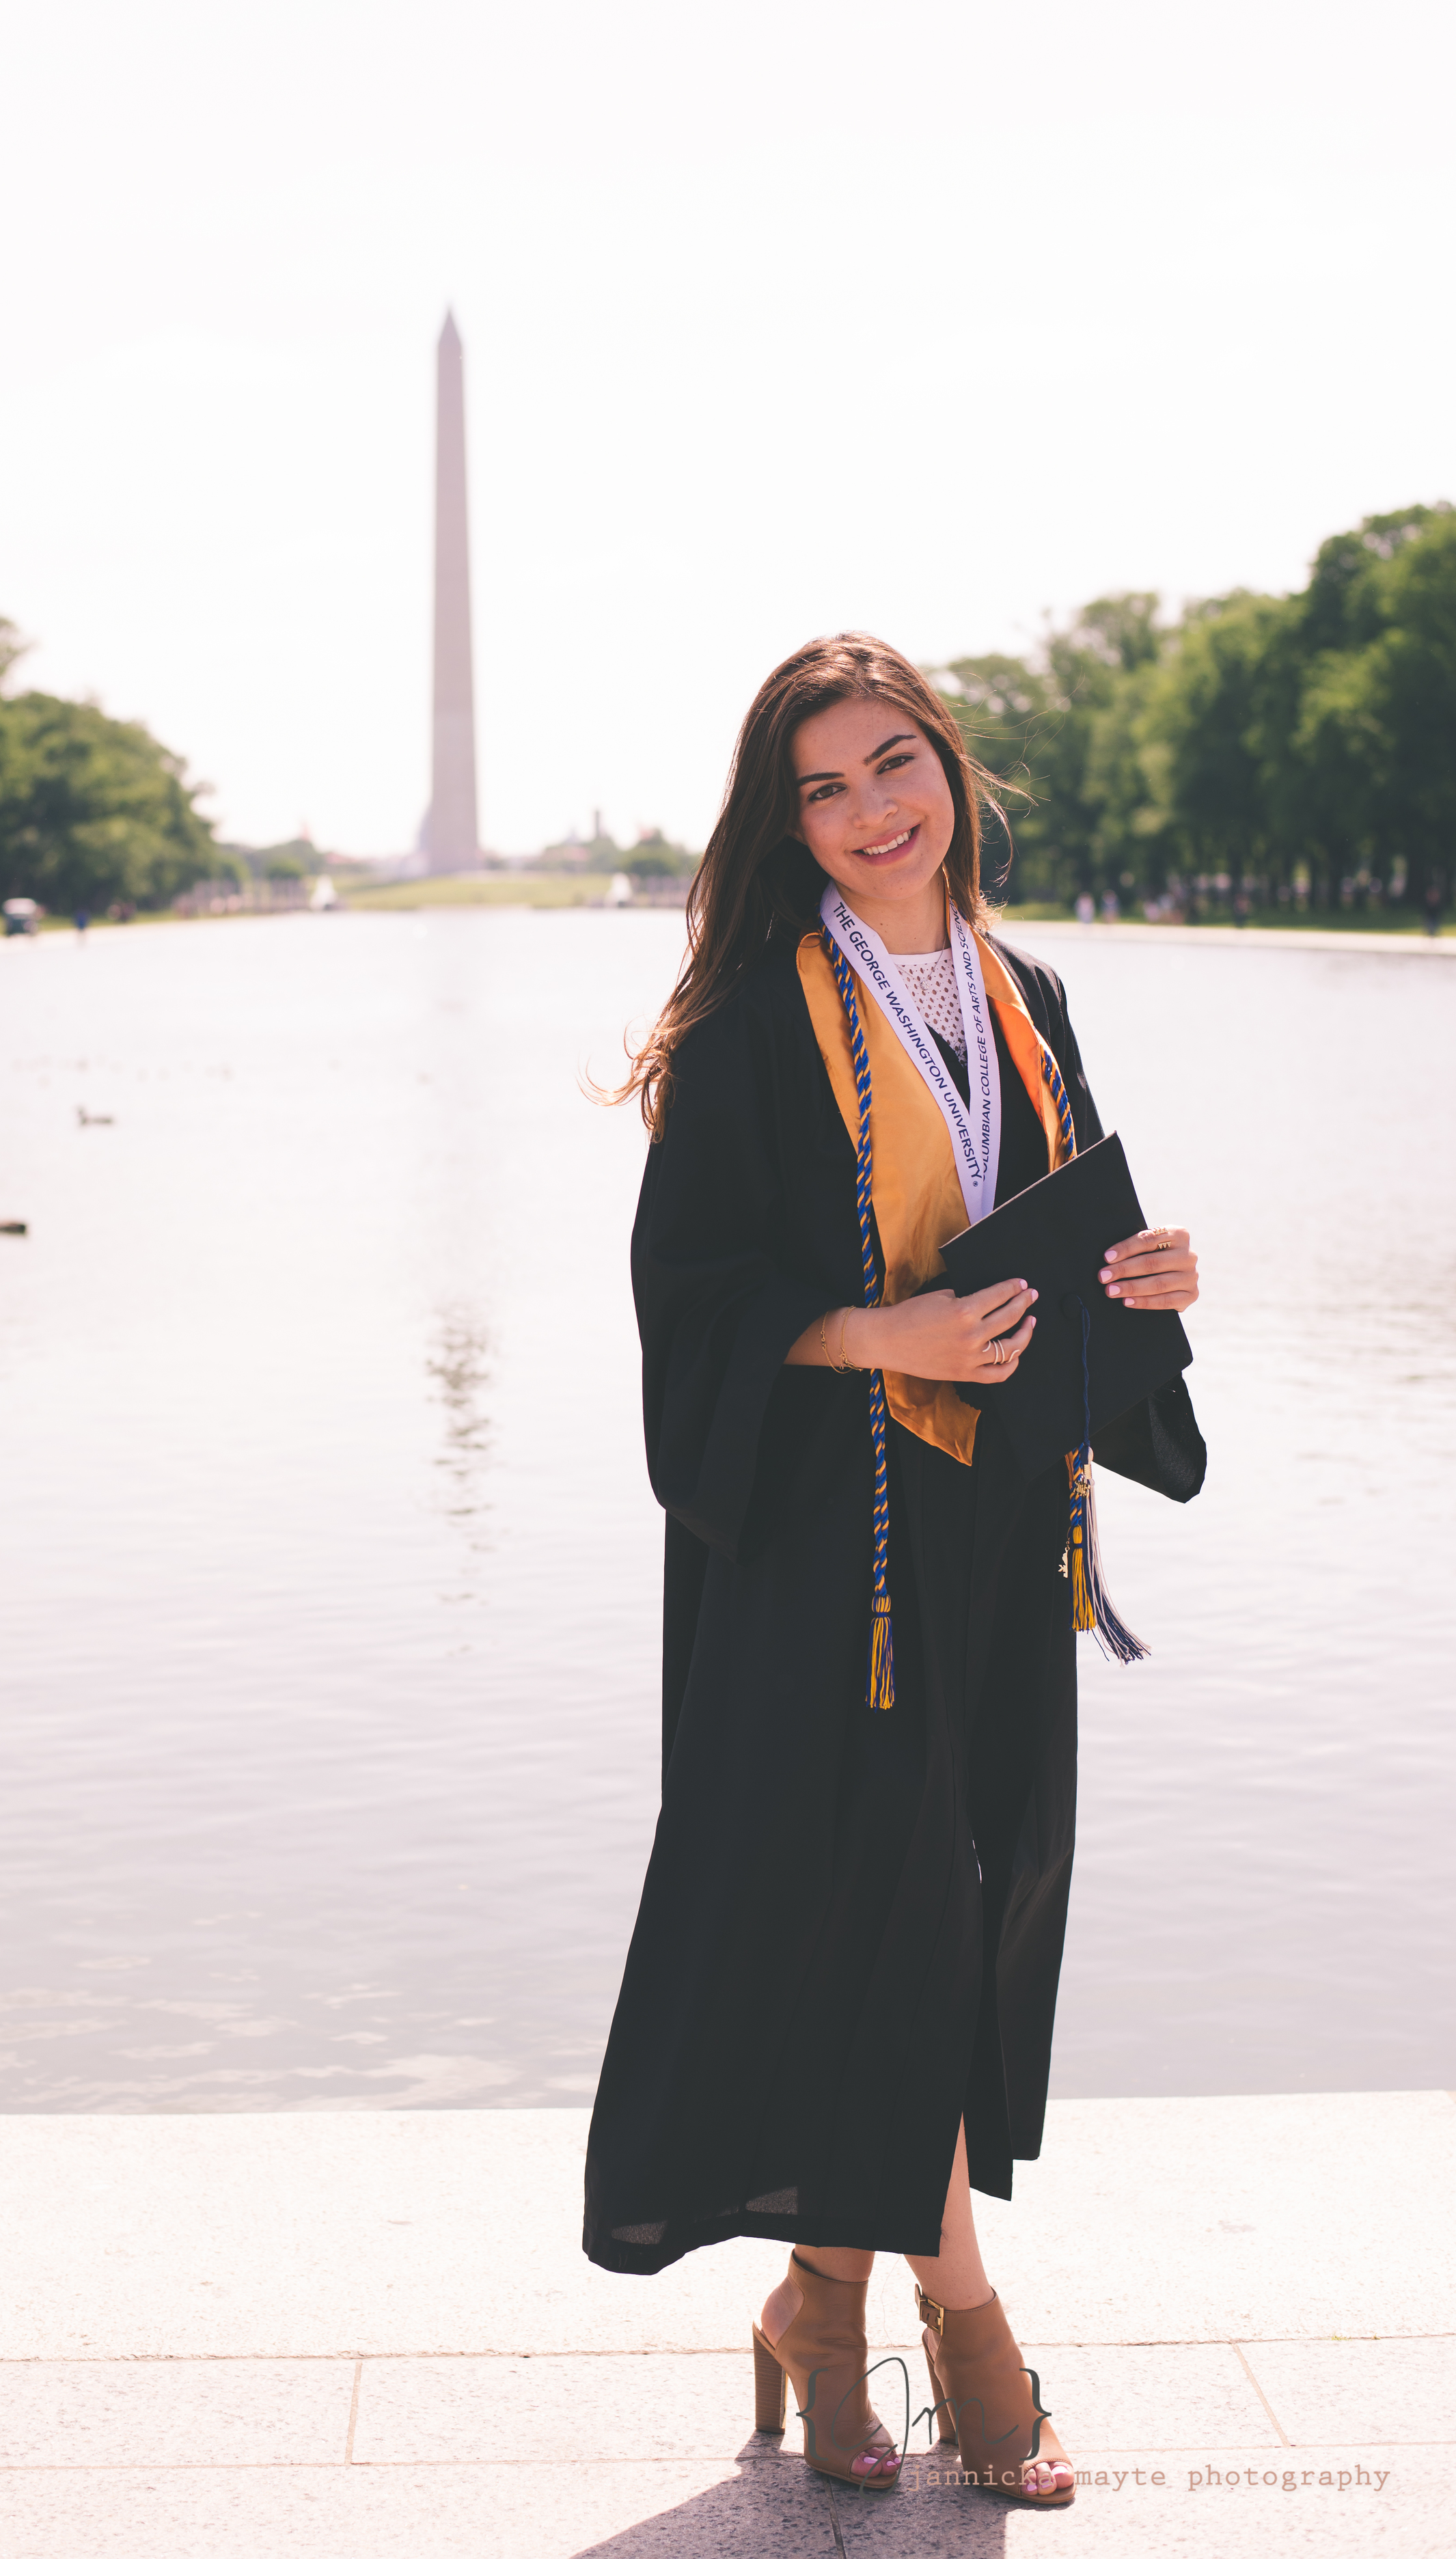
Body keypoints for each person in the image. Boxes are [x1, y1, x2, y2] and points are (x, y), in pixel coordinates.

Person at [583, 635, 1200, 2507]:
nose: (870, 812)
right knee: (894, 1900)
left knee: (969, 1883)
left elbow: (1050, 1236)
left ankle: (814, 2294)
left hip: (997, 1526)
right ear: (785, 822)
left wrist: (1147, 1285)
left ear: (949, 766)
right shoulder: (753, 1015)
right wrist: (884, 1335)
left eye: (893, 764)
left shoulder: (1021, 994)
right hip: (818, 1552)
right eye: (825, 788)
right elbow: (687, 1302)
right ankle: (966, 2320)